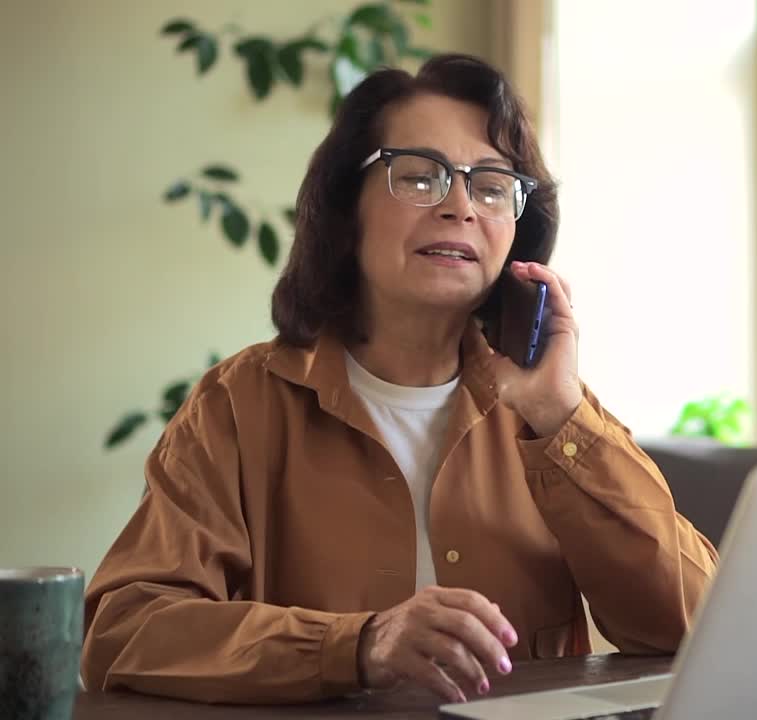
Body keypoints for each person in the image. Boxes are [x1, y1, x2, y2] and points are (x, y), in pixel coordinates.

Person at [82, 53, 718, 706]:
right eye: (419, 177)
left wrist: (559, 417)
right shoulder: (239, 405)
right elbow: (123, 630)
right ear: (344, 209)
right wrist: (358, 645)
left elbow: (703, 629)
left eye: (493, 185)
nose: (461, 207)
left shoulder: (553, 412)